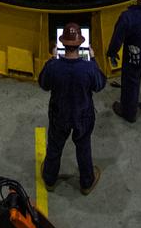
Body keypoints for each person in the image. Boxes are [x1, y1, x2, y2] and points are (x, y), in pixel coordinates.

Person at [38, 21, 106, 195]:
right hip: (82, 115)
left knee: (54, 146)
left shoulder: (54, 66)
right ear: (80, 44)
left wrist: (52, 59)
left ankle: (50, 179)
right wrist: (94, 59)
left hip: (59, 114)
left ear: (62, 44)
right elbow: (99, 85)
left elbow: (43, 84)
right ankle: (86, 182)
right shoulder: (88, 67)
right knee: (83, 147)